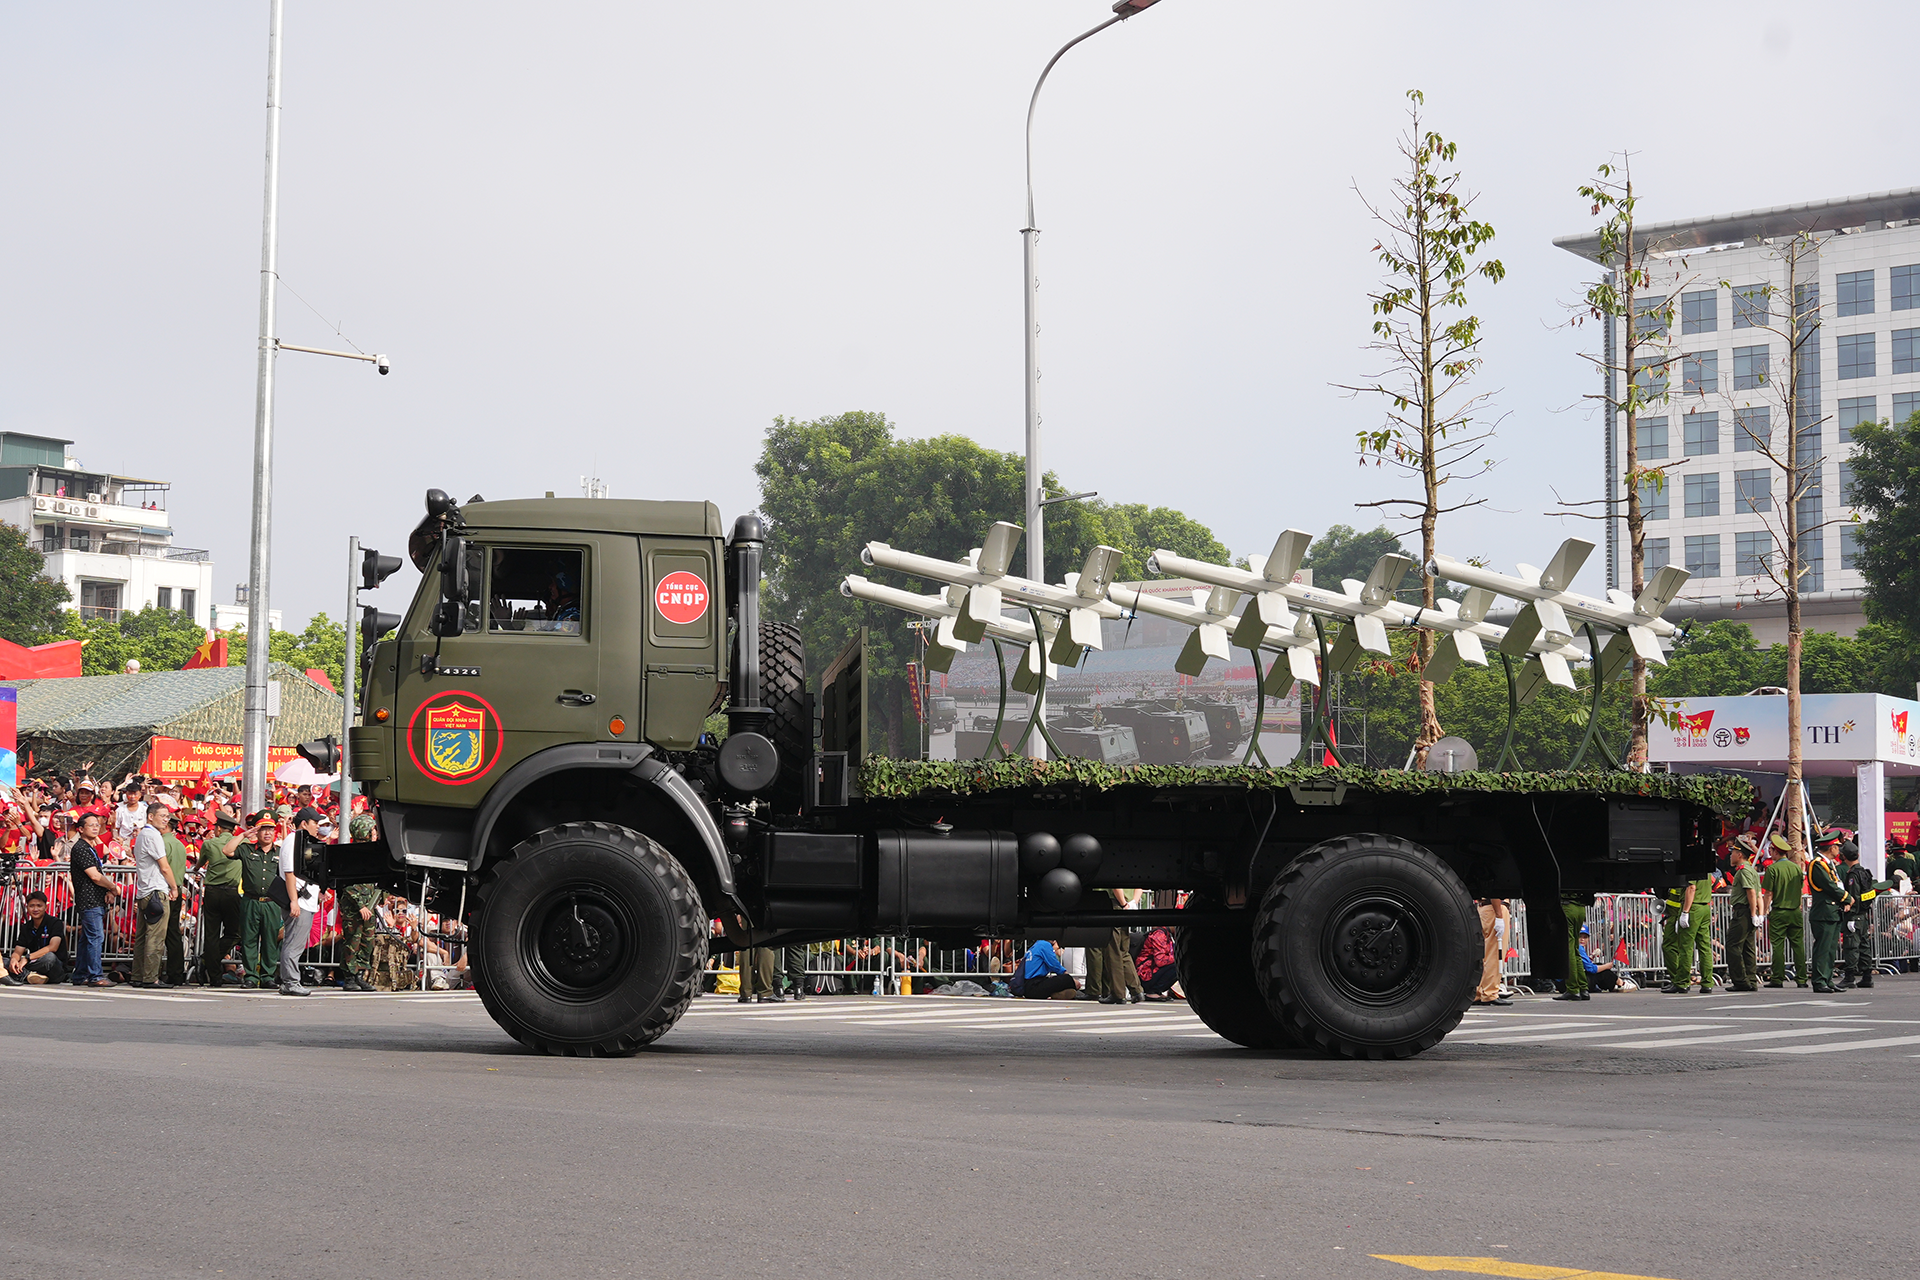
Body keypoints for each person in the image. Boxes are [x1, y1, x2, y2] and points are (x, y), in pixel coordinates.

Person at [130, 801, 180, 989]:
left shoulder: (143, 835)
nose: (166, 820)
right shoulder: (153, 835)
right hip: (156, 891)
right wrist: (173, 887)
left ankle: (138, 975)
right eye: (163, 816)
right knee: (155, 937)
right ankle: (150, 977)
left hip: (145, 890)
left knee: (143, 936)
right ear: (151, 816)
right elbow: (164, 866)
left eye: (168, 816)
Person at [66, 811, 119, 986]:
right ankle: (96, 976)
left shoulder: (89, 847)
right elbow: (95, 876)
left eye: (97, 824)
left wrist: (107, 890)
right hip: (89, 899)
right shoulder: (80, 847)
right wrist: (112, 886)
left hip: (94, 898)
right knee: (96, 937)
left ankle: (80, 975)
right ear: (80, 829)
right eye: (91, 825)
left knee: (87, 939)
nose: (96, 827)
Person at [195, 806, 246, 986]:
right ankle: (208, 960)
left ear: (218, 829)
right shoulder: (240, 844)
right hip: (232, 893)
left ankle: (213, 972)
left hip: (212, 892)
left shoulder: (209, 844)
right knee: (236, 933)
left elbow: (199, 864)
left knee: (211, 934)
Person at [276, 807, 325, 995]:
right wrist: (294, 901)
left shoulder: (303, 841)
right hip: (299, 902)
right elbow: (289, 873)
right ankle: (290, 982)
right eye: (315, 823)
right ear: (304, 823)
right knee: (294, 943)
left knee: (295, 942)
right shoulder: (293, 840)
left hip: (306, 900)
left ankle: (289, 981)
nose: (317, 828)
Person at [238, 812, 284, 988]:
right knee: (249, 940)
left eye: (271, 829)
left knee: (270, 940)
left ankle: (267, 976)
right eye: (263, 829)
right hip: (251, 901)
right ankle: (250, 976)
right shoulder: (247, 849)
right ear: (256, 831)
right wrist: (243, 835)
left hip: (272, 903)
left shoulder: (280, 852)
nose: (267, 833)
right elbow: (227, 850)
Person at [1806, 830, 1850, 994]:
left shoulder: (1829, 864)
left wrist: (1844, 899)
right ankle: (1819, 981)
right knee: (1823, 948)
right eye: (1837, 846)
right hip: (1824, 911)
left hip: (1832, 911)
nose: (1839, 849)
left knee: (1831, 949)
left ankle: (1828, 979)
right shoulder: (1817, 864)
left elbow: (1836, 884)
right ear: (1830, 847)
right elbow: (1828, 886)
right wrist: (1846, 897)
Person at [1763, 837, 1808, 988]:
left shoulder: (1773, 869)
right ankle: (1801, 978)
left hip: (1779, 911)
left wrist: (1763, 911)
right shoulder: (1796, 867)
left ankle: (1777, 978)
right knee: (1798, 946)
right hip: (1795, 911)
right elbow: (1800, 889)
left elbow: (1768, 893)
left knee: (1777, 946)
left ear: (1776, 852)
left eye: (1771, 851)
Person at [1837, 839, 1882, 990]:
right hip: (1862, 915)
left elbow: (1854, 895)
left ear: (1844, 857)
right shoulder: (1864, 872)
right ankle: (1867, 976)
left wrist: (1851, 913)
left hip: (1854, 915)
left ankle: (1850, 977)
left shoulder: (1853, 875)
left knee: (1851, 946)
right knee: (1864, 945)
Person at [1724, 835, 1765, 991]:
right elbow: (1758, 894)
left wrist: (1755, 914)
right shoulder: (1751, 870)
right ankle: (1750, 980)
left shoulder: (1743, 871)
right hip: (1749, 912)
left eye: (1733, 852)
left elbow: (1752, 893)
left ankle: (1740, 980)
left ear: (1739, 855)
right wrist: (1759, 914)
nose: (1731, 855)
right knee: (1748, 947)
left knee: (1733, 945)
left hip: (1743, 912)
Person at [3, 890, 66, 985]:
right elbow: (18, 951)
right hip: (32, 964)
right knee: (4, 961)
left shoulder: (55, 923)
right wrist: (14, 960)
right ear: (27, 908)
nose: (35, 909)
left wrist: (27, 958)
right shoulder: (26, 927)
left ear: (45, 907)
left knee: (50, 958)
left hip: (53, 967)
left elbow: (53, 947)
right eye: (31, 906)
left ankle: (25, 975)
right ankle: (30, 976)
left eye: (39, 906)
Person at [1473, 897, 1511, 1007]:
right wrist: (1499, 915)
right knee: (1495, 954)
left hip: (1485, 909)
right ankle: (1490, 993)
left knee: (1484, 955)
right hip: (1495, 908)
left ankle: (1479, 991)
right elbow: (1495, 893)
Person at [1555, 892, 1592, 1002]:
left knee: (1568, 948)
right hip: (1580, 906)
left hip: (1567, 905)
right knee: (1575, 948)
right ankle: (1582, 988)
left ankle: (1573, 989)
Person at [1016, 938, 1080, 1000]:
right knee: (1067, 979)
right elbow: (1055, 966)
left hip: (1027, 986)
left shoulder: (1035, 946)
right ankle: (1056, 993)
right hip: (1035, 985)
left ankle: (1055, 994)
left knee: (1052, 980)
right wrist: (1071, 979)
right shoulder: (1044, 945)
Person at [1134, 927, 1182, 1000]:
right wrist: (1178, 957)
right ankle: (1153, 991)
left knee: (1178, 965)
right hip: (1145, 975)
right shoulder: (1159, 934)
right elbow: (1160, 961)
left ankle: (1157, 991)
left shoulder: (1167, 934)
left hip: (1150, 972)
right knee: (1177, 966)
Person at [1573, 925, 1620, 993]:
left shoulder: (1574, 947)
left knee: (1599, 965)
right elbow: (1591, 969)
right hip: (1572, 983)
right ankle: (1620, 983)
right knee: (1604, 972)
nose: (1582, 939)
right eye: (1580, 937)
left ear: (1588, 939)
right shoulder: (1578, 947)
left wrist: (1591, 957)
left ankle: (1615, 984)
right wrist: (1607, 966)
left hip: (1565, 982)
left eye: (1585, 937)